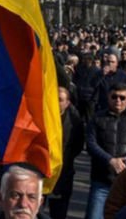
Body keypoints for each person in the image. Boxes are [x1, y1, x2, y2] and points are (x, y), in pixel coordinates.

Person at [85, 81, 126, 219]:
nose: (118, 101)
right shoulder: (97, 118)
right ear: (108, 97)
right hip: (102, 180)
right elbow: (90, 143)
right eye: (114, 97)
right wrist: (110, 160)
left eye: (122, 97)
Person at [47, 86, 85, 219]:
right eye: (53, 98)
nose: (56, 102)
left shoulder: (74, 121)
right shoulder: (43, 116)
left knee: (58, 213)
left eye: (60, 100)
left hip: (63, 174)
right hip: (42, 172)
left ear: (67, 103)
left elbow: (77, 145)